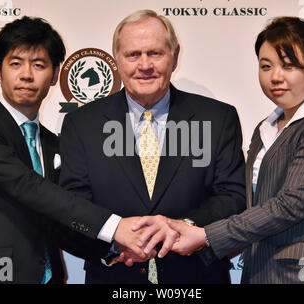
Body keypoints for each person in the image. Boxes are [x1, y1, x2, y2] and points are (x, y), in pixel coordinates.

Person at [139, 16, 304, 284]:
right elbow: (254, 205)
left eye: (289, 66)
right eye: (266, 66)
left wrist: (206, 236)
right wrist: (185, 227)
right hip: (266, 270)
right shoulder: (265, 128)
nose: (275, 77)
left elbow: (290, 205)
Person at [0, 16, 149, 284]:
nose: (26, 75)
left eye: (39, 64)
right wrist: (113, 226)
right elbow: (28, 186)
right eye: (15, 63)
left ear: (55, 75)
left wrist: (112, 248)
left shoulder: (54, 143)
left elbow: (59, 222)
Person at [58, 9, 246, 284]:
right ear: (117, 60)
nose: (144, 65)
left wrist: (183, 227)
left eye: (155, 53)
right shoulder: (81, 124)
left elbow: (233, 197)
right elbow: (72, 205)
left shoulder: (218, 118)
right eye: (133, 54)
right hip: (114, 277)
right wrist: (113, 242)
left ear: (175, 56)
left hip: (197, 278)